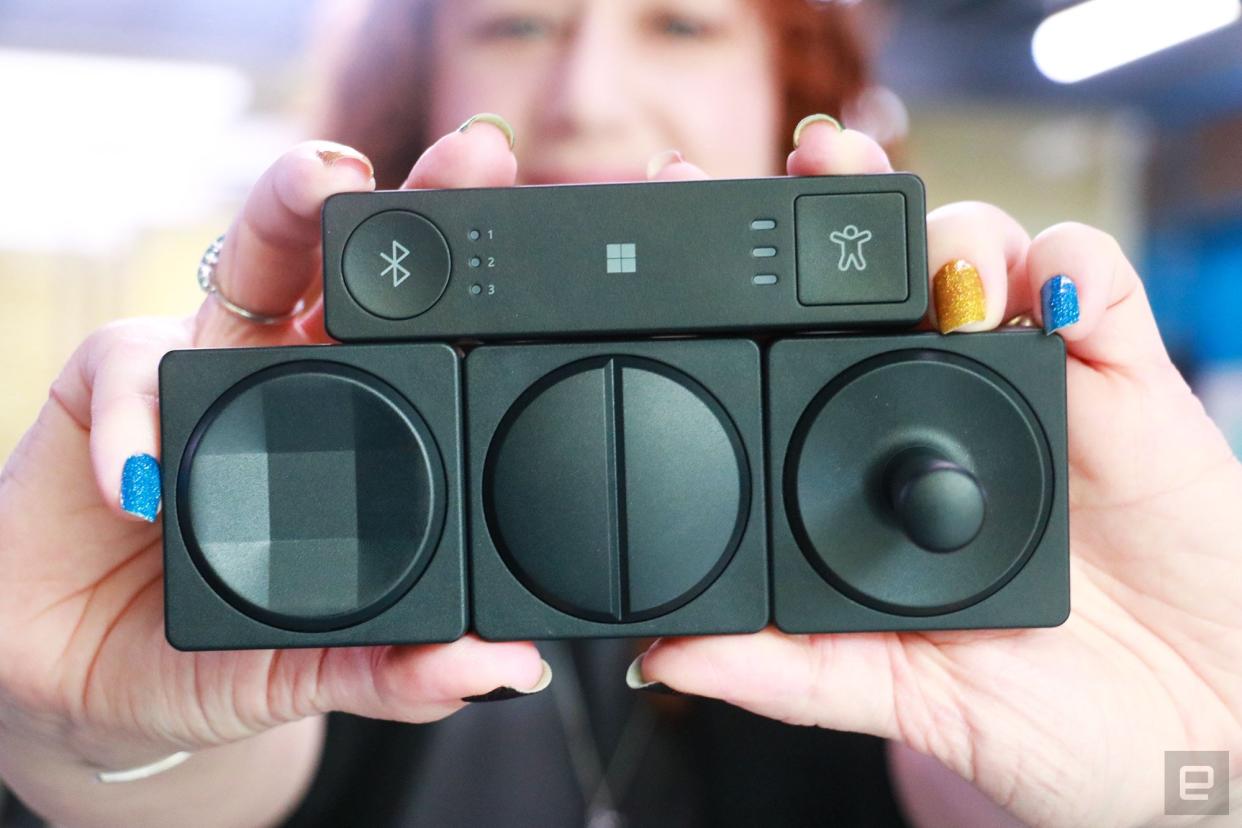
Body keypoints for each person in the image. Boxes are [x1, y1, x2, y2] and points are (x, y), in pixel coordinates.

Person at [0, 0, 1239, 825]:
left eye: (683, 22)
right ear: (420, 77)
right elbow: (230, 782)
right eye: (521, 20)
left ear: (796, 95)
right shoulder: (295, 461)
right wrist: (75, 740)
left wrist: (1200, 770)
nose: (587, 90)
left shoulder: (937, 474)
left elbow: (1026, 790)